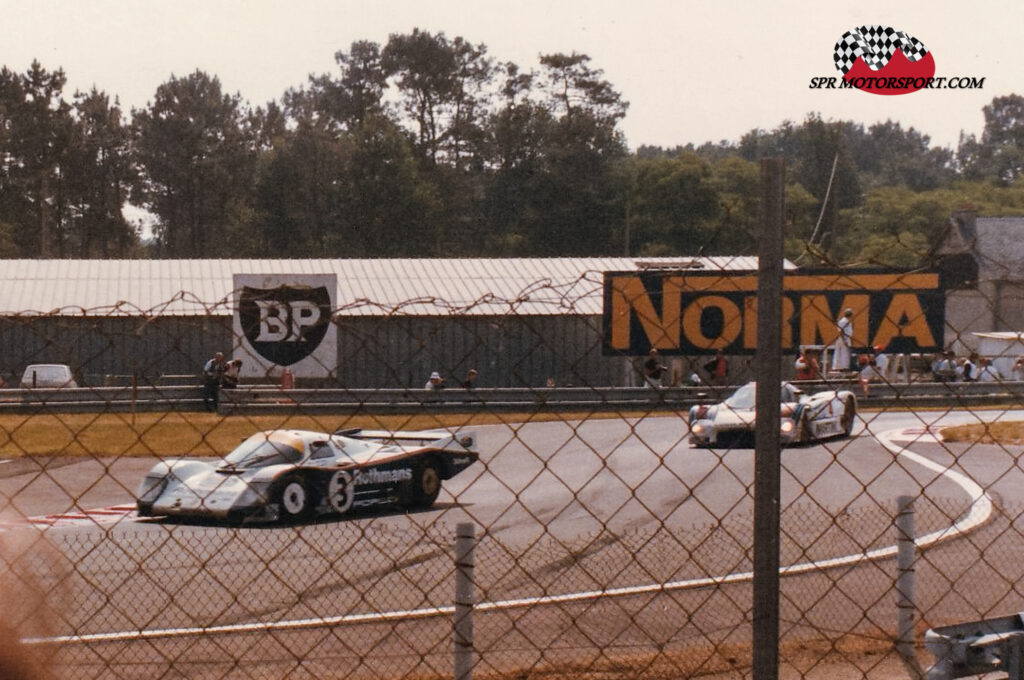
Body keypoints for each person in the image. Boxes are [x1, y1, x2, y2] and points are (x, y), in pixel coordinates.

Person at [831, 308, 854, 372]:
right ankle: (844, 367)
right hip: (844, 338)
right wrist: (844, 340)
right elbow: (841, 331)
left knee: (839, 352)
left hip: (842, 338)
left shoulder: (845, 321)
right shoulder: (844, 321)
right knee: (844, 352)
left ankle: (837, 367)